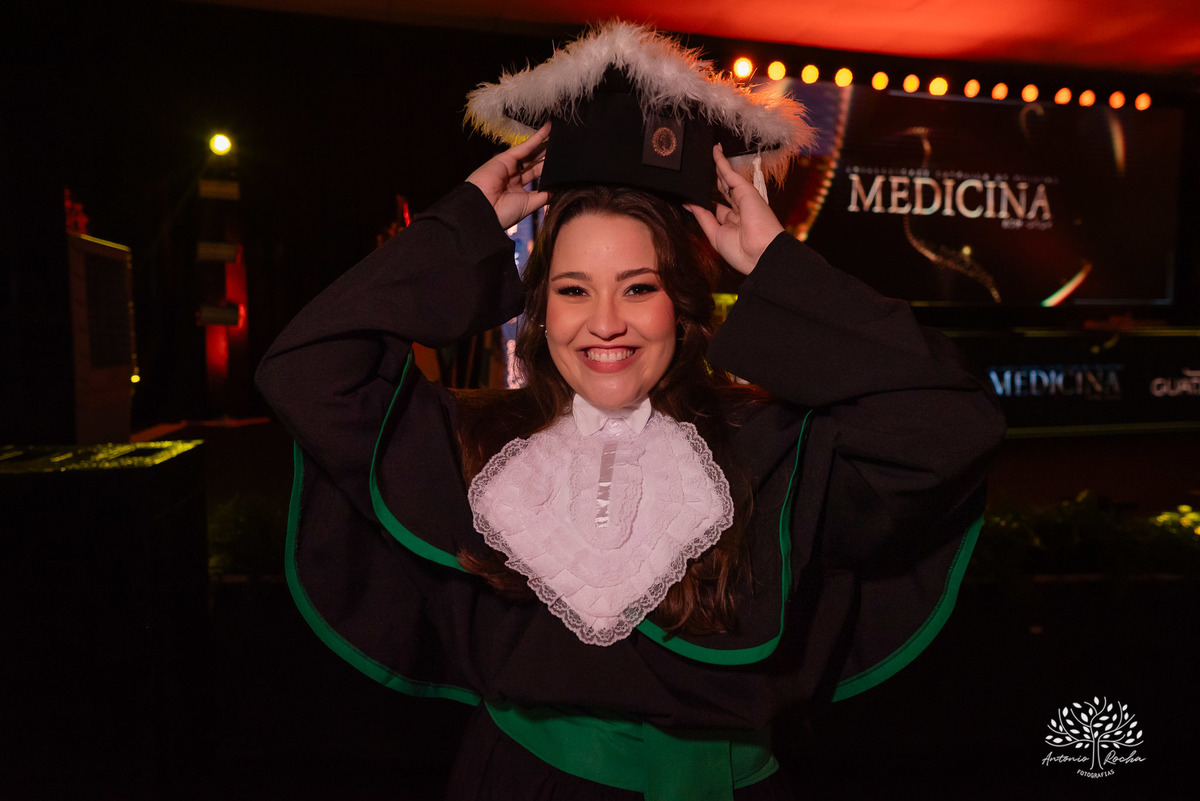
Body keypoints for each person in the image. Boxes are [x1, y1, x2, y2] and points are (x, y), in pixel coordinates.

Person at [256, 22, 1005, 800]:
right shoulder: (480, 449)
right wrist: (468, 220)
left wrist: (779, 264)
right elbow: (307, 370)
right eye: (573, 288)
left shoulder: (768, 448)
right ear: (539, 310)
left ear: (682, 308)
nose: (604, 321)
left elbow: (953, 425)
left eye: (639, 287)